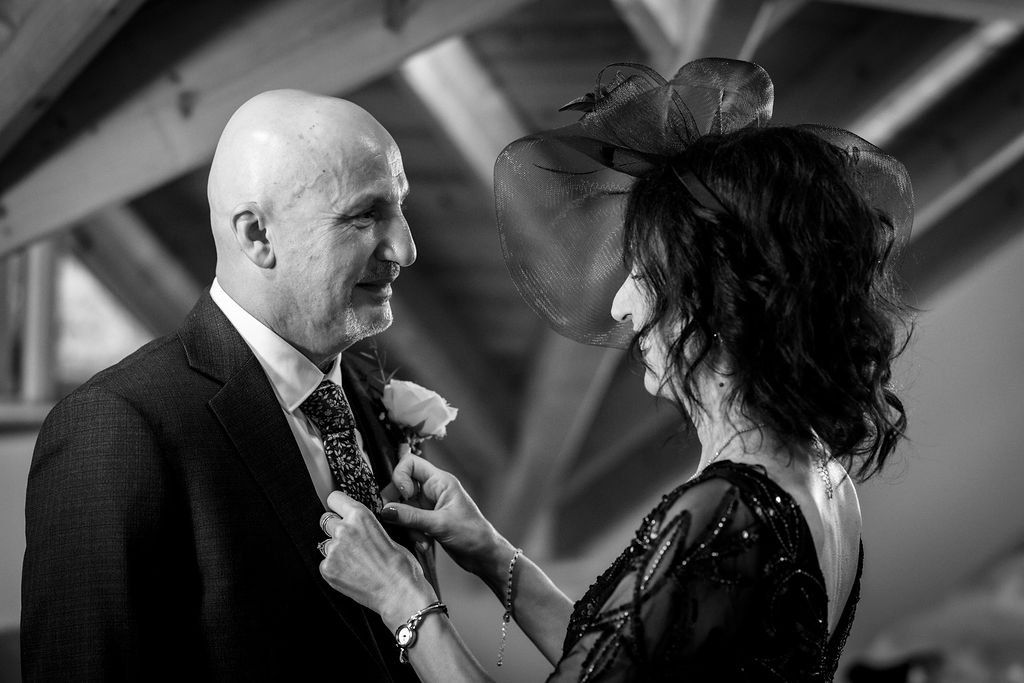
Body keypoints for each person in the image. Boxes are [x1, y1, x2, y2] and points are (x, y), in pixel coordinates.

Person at [313, 58, 914, 682]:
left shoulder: (726, 508)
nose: (621, 306)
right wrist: (492, 553)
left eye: (645, 277)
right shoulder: (819, 473)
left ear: (719, 303)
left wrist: (405, 601)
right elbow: (632, 656)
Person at [21, 89, 433, 681]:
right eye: (365, 215)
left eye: (400, 207)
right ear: (257, 234)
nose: (405, 248)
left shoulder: (362, 391)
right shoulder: (118, 427)